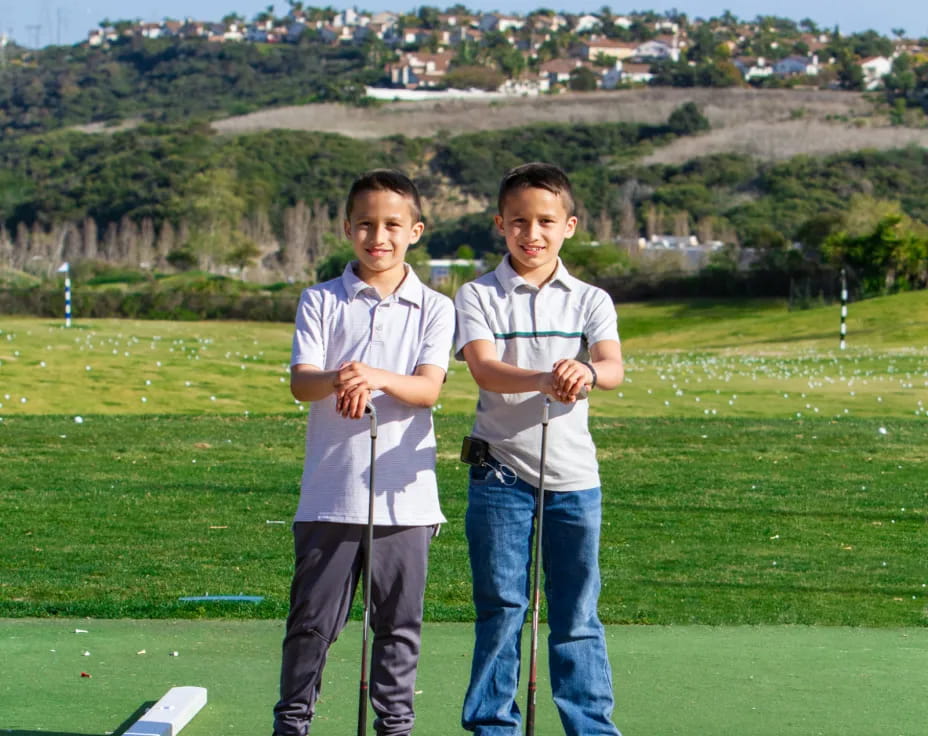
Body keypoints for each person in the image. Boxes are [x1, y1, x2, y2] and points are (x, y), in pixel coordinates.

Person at [273, 169, 454, 736]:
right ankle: (292, 724)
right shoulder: (321, 300)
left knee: (398, 626)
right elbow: (303, 384)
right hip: (331, 494)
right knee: (310, 624)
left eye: (393, 225)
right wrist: (342, 378)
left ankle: (395, 727)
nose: (379, 236)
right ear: (347, 228)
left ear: (416, 230)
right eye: (366, 225)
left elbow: (427, 389)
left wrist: (370, 375)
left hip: (407, 501)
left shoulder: (434, 307)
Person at [454, 162, 625, 736]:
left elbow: (613, 367)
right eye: (520, 221)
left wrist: (586, 371)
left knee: (576, 615)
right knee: (503, 609)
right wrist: (543, 379)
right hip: (499, 475)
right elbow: (483, 368)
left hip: (575, 478)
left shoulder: (590, 299)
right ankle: (492, 727)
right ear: (500, 225)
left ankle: (590, 727)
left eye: (546, 221)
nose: (533, 233)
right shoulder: (477, 293)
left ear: (570, 225)